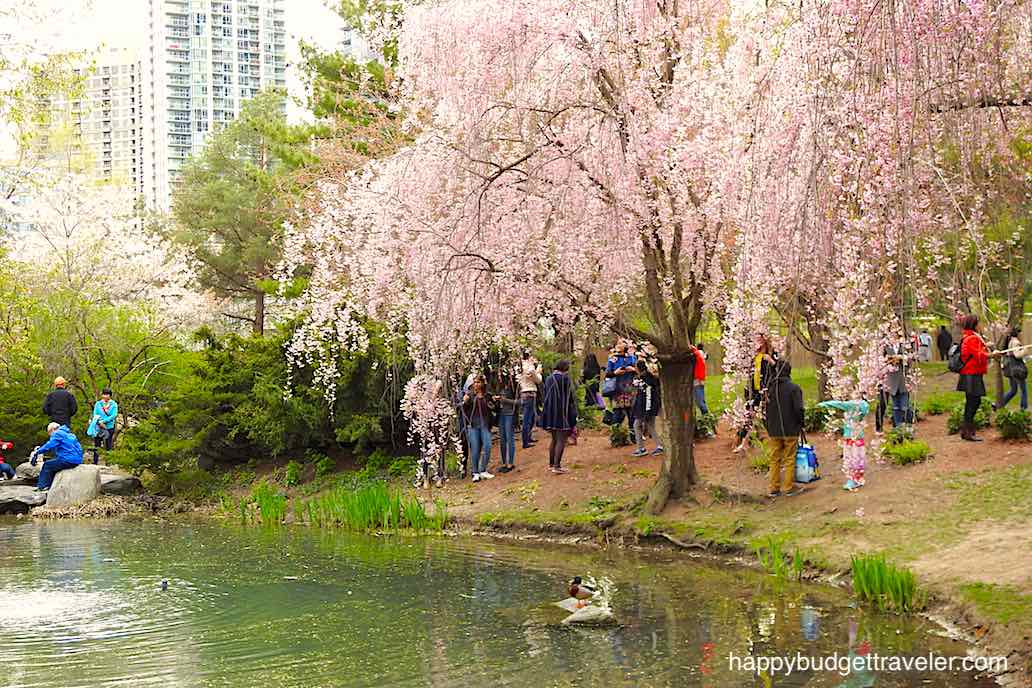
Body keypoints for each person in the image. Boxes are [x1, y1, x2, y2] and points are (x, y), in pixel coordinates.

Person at [955, 315, 1000, 442]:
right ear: (974, 324)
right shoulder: (972, 338)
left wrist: (987, 347)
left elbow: (976, 351)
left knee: (972, 402)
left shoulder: (969, 336)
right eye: (979, 323)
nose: (981, 325)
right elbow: (978, 355)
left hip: (970, 374)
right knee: (973, 403)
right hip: (972, 374)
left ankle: (966, 431)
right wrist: (991, 354)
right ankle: (968, 432)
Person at [764, 361, 804, 498]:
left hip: (774, 430)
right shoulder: (794, 389)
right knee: (789, 458)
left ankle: (774, 488)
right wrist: (801, 423)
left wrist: (768, 426)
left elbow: (765, 410)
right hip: (790, 429)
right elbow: (799, 409)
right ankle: (788, 487)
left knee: (775, 458)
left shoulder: (769, 389)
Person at [733, 334, 778, 453]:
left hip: (766, 390)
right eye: (756, 339)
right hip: (752, 391)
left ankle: (776, 442)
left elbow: (780, 369)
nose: (758, 341)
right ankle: (742, 442)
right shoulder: (753, 355)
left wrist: (771, 361)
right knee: (749, 416)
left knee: (767, 416)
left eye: (760, 339)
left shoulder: (772, 354)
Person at [818, 398, 871, 491]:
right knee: (857, 458)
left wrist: (824, 404)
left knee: (850, 458)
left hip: (851, 437)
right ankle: (857, 478)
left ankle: (853, 479)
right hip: (857, 437)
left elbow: (839, 404)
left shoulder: (853, 405)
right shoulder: (862, 405)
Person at [540, 359, 578, 474]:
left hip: (549, 413)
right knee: (561, 439)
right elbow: (570, 397)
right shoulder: (565, 379)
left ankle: (551, 465)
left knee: (554, 439)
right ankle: (557, 466)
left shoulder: (548, 378)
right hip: (562, 414)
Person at [30, 422, 84, 492]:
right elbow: (79, 448)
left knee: (47, 465)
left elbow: (49, 446)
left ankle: (42, 487)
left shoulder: (57, 433)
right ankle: (49, 486)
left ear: (52, 430)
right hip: (77, 460)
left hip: (68, 460)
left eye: (49, 433)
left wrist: (37, 452)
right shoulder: (70, 434)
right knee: (54, 464)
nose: (50, 436)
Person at [462, 375, 495, 482]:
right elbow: (463, 409)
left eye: (478, 382)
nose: (476, 384)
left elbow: (494, 408)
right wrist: (465, 402)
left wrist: (494, 402)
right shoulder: (470, 396)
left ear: (482, 383)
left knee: (488, 446)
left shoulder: (487, 395)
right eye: (475, 382)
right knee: (475, 449)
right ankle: (475, 472)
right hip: (473, 426)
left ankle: (483, 470)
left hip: (485, 425)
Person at [605, 340, 638, 440]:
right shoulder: (612, 359)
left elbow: (638, 371)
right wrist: (615, 372)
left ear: (626, 346)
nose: (619, 345)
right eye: (617, 344)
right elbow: (607, 374)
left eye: (621, 343)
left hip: (629, 388)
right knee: (617, 413)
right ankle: (616, 437)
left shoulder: (632, 357)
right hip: (617, 389)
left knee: (631, 413)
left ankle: (634, 436)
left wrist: (632, 369)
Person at [631, 359, 663, 457]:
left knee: (637, 425)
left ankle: (642, 448)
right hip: (647, 407)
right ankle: (658, 446)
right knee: (649, 426)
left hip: (645, 408)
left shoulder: (645, 379)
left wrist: (647, 411)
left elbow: (647, 395)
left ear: (637, 368)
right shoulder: (648, 377)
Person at [883, 337, 915, 429]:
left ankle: (908, 426)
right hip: (891, 378)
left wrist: (902, 358)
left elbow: (910, 359)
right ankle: (898, 427)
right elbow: (881, 361)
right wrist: (889, 359)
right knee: (896, 406)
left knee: (905, 405)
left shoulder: (905, 344)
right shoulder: (886, 346)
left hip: (903, 378)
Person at [996, 326, 1030, 411]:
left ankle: (999, 403)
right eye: (1020, 332)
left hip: (1011, 369)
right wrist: (1025, 351)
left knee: (1013, 390)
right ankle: (1023, 408)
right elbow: (1017, 354)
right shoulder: (1015, 342)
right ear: (1017, 333)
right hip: (1017, 369)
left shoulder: (1010, 341)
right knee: (1023, 390)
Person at [492, 368, 519, 473]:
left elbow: (519, 401)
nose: (499, 377)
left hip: (510, 414)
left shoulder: (513, 386)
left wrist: (505, 400)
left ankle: (510, 463)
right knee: (502, 439)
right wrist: (496, 400)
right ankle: (504, 463)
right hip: (501, 414)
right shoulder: (499, 387)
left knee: (509, 438)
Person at [87, 388, 118, 465]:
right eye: (104, 394)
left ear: (110, 396)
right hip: (99, 427)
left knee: (108, 444)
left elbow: (113, 415)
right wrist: (99, 422)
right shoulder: (98, 404)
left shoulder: (113, 404)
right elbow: (95, 414)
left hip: (109, 427)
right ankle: (95, 462)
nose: (105, 396)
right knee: (97, 445)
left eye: (107, 394)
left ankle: (108, 463)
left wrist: (103, 421)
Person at [519, 352, 543, 449]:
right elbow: (538, 380)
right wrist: (539, 371)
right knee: (527, 418)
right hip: (530, 393)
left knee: (530, 416)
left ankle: (528, 438)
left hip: (524, 392)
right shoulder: (530, 367)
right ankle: (526, 441)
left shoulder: (520, 365)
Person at [693, 344, 709, 416]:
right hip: (700, 380)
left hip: (697, 380)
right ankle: (705, 416)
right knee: (700, 400)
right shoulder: (703, 355)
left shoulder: (698, 354)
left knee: (700, 402)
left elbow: (696, 353)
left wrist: (691, 347)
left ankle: (706, 416)